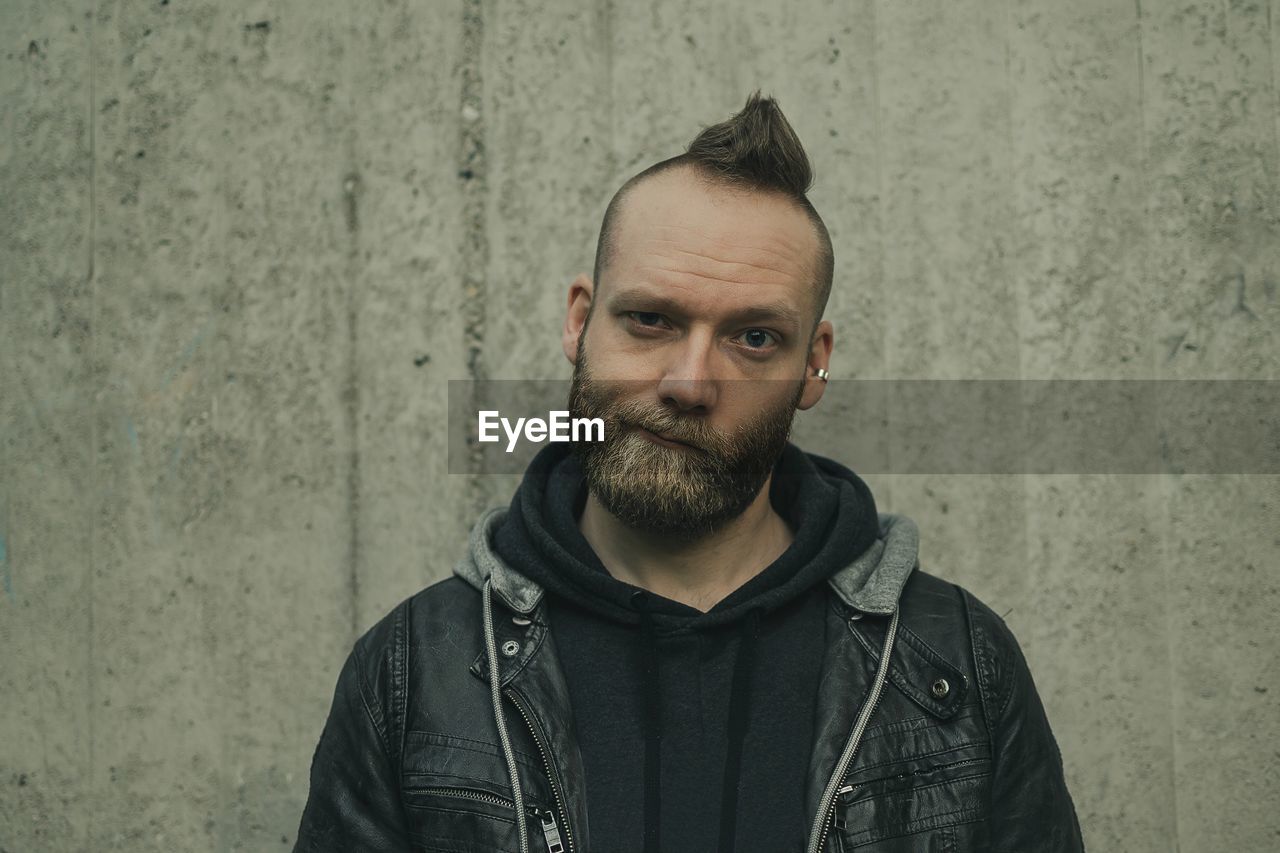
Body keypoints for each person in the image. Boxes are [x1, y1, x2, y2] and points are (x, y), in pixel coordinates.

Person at [293, 92, 1085, 853]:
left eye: (753, 339)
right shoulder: (410, 672)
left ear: (814, 366)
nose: (689, 382)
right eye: (650, 319)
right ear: (579, 319)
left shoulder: (956, 661)